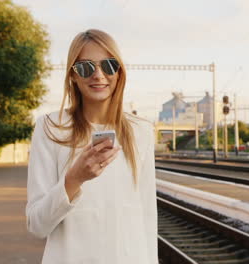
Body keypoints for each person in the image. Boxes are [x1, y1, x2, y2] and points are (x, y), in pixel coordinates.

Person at [25, 29, 158, 264]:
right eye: (86, 67)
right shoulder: (51, 128)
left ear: (119, 72)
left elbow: (147, 216)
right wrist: (73, 180)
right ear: (73, 76)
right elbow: (37, 225)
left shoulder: (141, 131)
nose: (98, 75)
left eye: (108, 65)